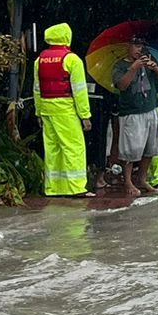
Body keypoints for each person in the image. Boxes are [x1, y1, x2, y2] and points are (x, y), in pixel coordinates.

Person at [33, 22, 94, 197]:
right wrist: (85, 115)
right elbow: (79, 90)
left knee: (52, 149)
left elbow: (36, 89)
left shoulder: (40, 60)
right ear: (67, 37)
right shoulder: (72, 59)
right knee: (74, 147)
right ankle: (76, 188)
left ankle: (53, 188)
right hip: (65, 108)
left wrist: (38, 111)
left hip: (47, 109)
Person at [111, 36, 158, 201]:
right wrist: (133, 68)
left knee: (150, 148)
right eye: (136, 46)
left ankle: (142, 179)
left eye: (141, 46)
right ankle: (128, 181)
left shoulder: (148, 60)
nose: (139, 49)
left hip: (151, 109)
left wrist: (154, 67)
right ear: (128, 46)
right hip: (132, 112)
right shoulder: (120, 65)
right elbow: (121, 85)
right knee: (131, 150)